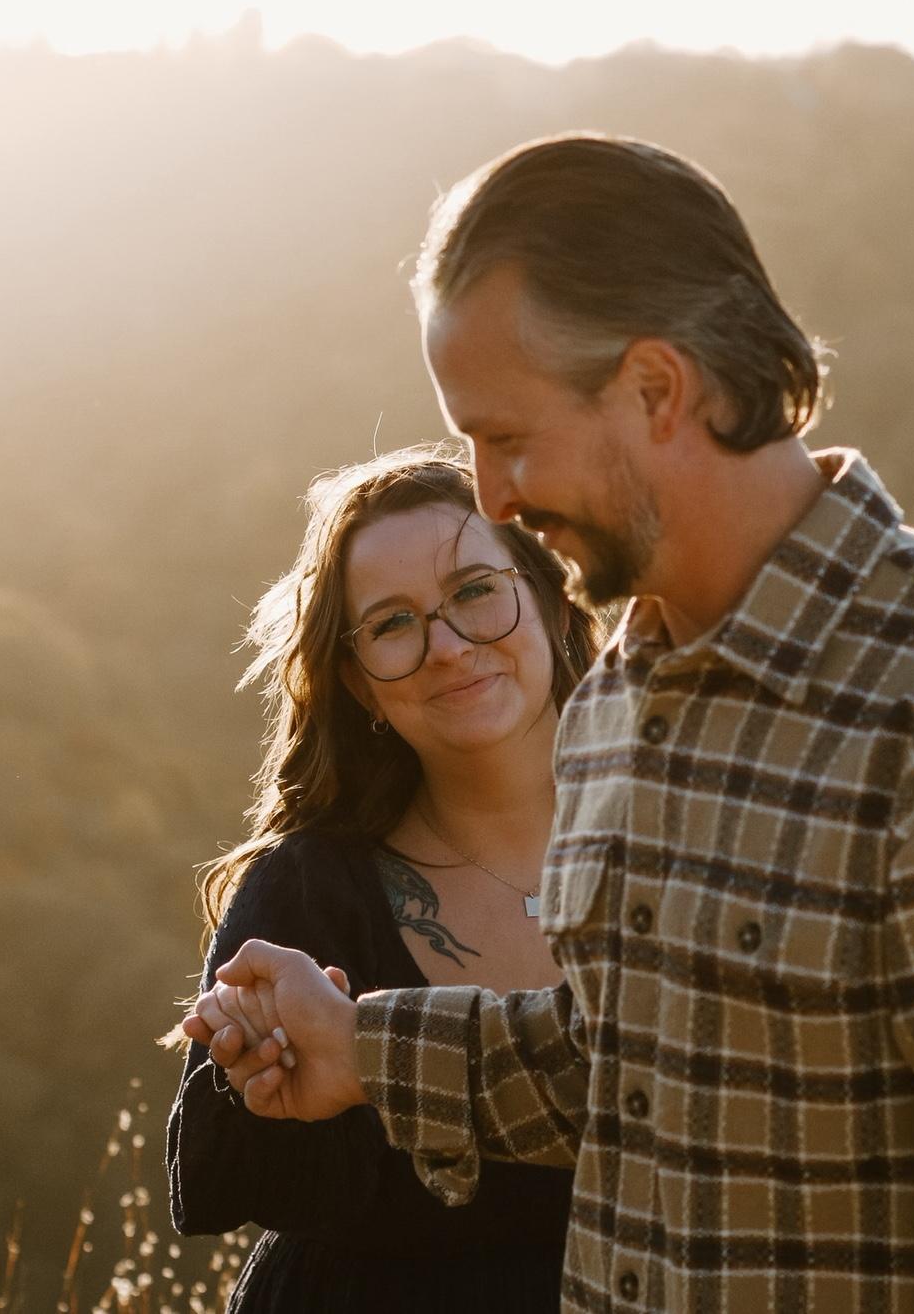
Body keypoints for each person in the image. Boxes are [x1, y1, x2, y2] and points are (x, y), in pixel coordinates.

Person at [188, 135, 914, 1310]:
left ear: (655, 388)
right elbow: (635, 1070)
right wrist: (359, 1047)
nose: (490, 496)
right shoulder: (616, 703)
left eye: (508, 437)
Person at [167, 443, 601, 1312]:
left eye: (475, 592)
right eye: (393, 624)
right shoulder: (309, 891)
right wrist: (259, 1063)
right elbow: (216, 1180)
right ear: (361, 684)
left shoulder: (683, 842)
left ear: (552, 600)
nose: (448, 647)